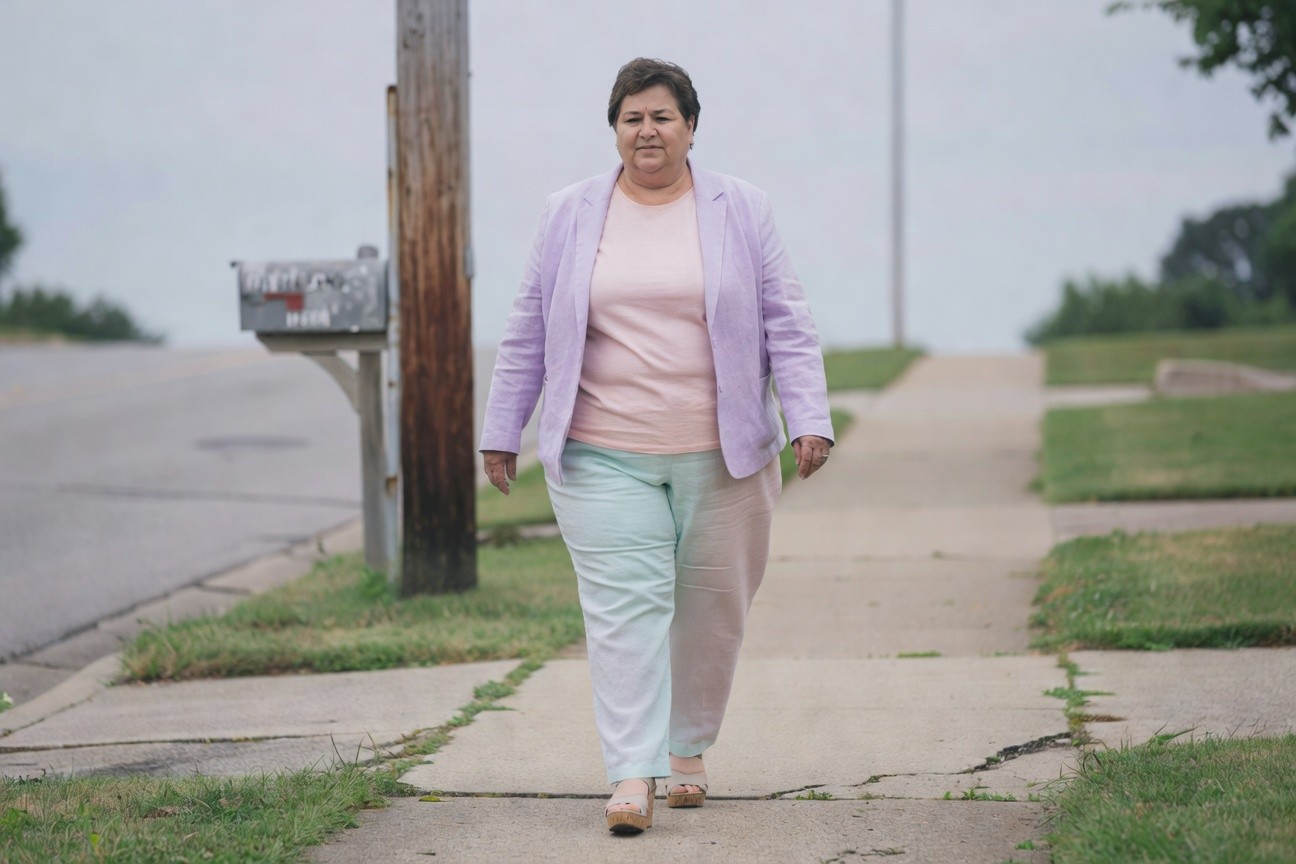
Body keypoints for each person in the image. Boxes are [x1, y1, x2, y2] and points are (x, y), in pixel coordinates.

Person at [479, 57, 834, 835]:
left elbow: (788, 322)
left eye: (662, 116)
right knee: (625, 612)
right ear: (614, 130)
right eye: (632, 117)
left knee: (711, 612)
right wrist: (501, 431)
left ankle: (687, 748)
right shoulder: (567, 213)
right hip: (603, 452)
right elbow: (527, 331)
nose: (647, 130)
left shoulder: (742, 209)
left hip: (725, 456)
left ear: (691, 127)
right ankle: (630, 774)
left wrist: (810, 417)